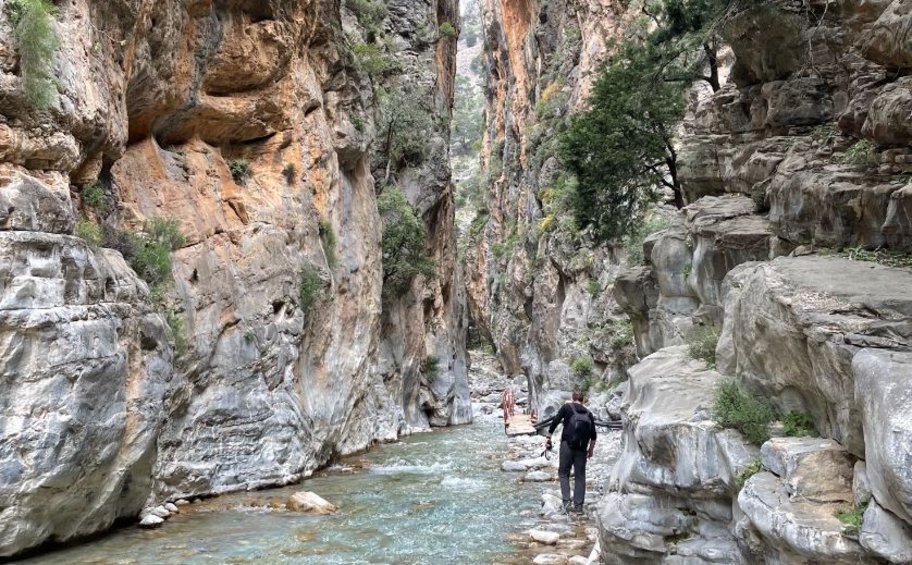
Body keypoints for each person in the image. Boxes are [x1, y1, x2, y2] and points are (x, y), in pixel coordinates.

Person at [545, 391, 596, 513]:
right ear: (582, 400)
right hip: (582, 449)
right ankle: (578, 507)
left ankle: (567, 503)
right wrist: (591, 450)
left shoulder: (567, 407)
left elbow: (556, 421)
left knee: (563, 473)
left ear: (572, 398)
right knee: (580, 476)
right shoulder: (589, 414)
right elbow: (594, 436)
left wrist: (548, 437)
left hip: (567, 445)